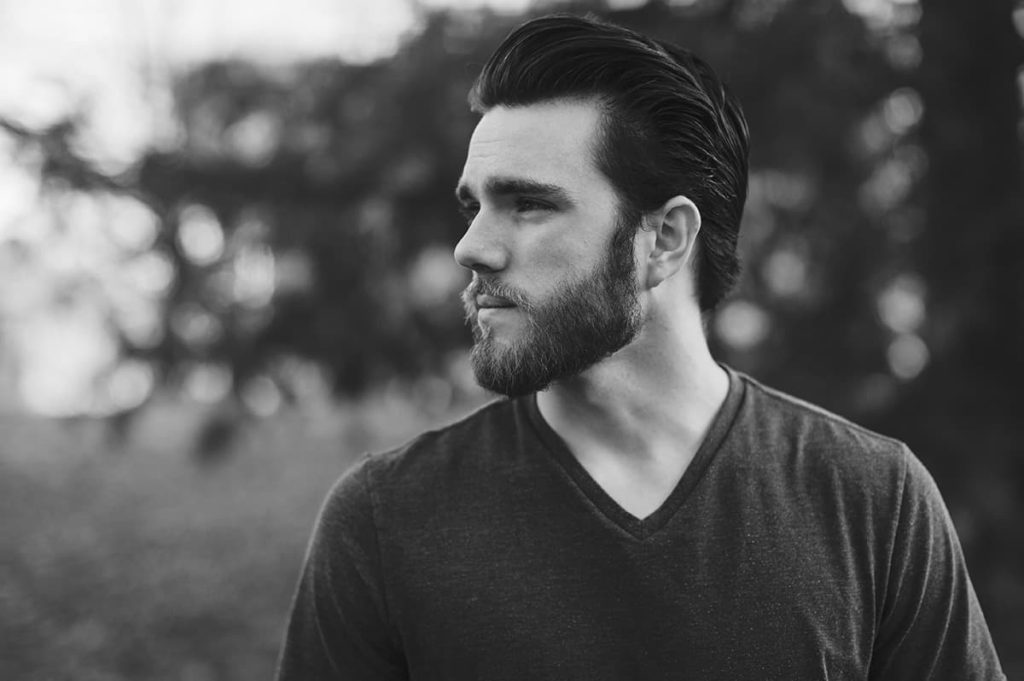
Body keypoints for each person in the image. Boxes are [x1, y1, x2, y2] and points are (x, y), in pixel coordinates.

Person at [276, 14, 1005, 681]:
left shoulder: (874, 502)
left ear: (664, 239)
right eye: (475, 206)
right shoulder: (386, 520)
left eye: (528, 204)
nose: (472, 247)